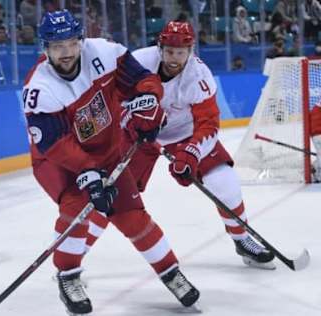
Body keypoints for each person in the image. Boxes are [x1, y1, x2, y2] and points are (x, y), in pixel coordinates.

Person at [23, 10, 199, 315]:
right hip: (58, 162)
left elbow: (144, 81)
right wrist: (89, 174)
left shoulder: (104, 53)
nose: (65, 53)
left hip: (107, 150)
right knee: (78, 211)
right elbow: (53, 143)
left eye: (70, 44)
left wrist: (148, 104)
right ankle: (68, 277)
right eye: (56, 46)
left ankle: (170, 271)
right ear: (45, 49)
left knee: (133, 216)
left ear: (80, 41)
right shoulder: (40, 88)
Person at [127, 21, 276, 270]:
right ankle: (71, 265)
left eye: (181, 52)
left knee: (225, 181)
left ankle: (241, 239)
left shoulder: (199, 77)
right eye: (170, 51)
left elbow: (208, 124)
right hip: (138, 135)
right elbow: (112, 98)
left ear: (191, 51)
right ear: (160, 47)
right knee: (108, 193)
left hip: (183, 134)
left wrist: (191, 153)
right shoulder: (138, 62)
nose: (175, 58)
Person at [311, 102, 321, 182]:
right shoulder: (317, 109)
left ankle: (314, 167)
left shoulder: (315, 108)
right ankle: (318, 174)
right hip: (318, 134)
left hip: (316, 135)